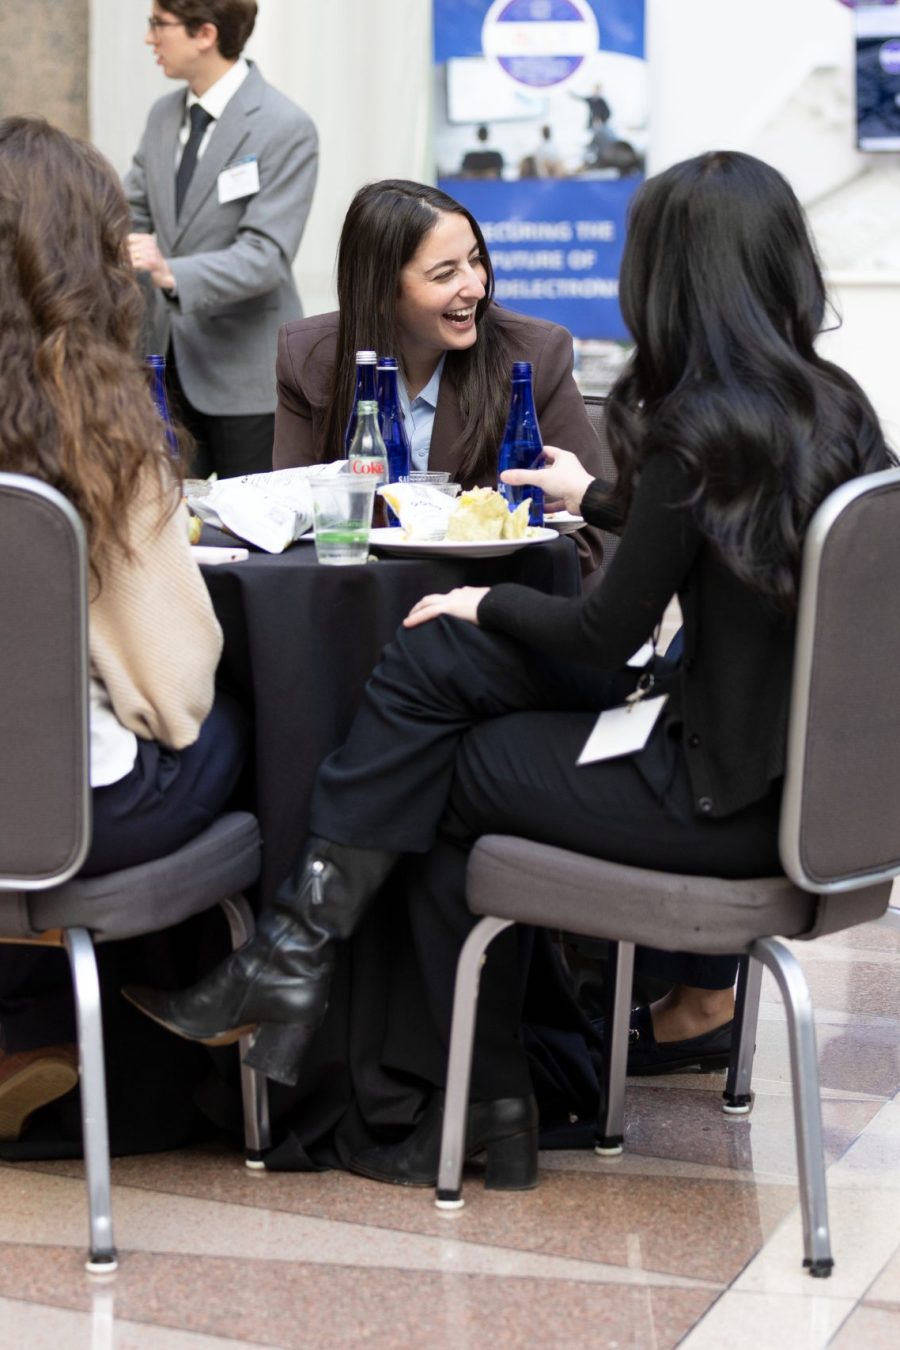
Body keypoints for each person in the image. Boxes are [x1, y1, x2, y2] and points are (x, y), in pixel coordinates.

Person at [126, 150, 893, 1182]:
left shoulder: (697, 426)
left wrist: (486, 597)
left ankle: (369, 1014)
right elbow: (719, 531)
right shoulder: (833, 411)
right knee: (439, 674)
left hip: (710, 791)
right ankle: (395, 1037)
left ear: (668, 278)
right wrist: (603, 498)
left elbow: (600, 635)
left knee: (444, 755)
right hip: (805, 794)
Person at [0, 117, 247, 1144]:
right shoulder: (98, 428)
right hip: (67, 819)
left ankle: (28, 1030)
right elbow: (175, 689)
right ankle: (218, 1034)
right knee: (248, 726)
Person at [272, 178, 609, 577]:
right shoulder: (310, 358)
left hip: (489, 610)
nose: (476, 287)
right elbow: (290, 520)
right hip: (357, 603)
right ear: (381, 291)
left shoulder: (533, 356)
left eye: (476, 259)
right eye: (445, 273)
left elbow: (584, 544)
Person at [125, 2, 318, 479]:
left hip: (244, 374)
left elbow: (266, 256)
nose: (149, 38)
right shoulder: (162, 116)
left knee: (254, 535)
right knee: (172, 524)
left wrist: (171, 272)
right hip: (165, 365)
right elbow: (129, 210)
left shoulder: (284, 126)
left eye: (158, 25)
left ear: (204, 34)